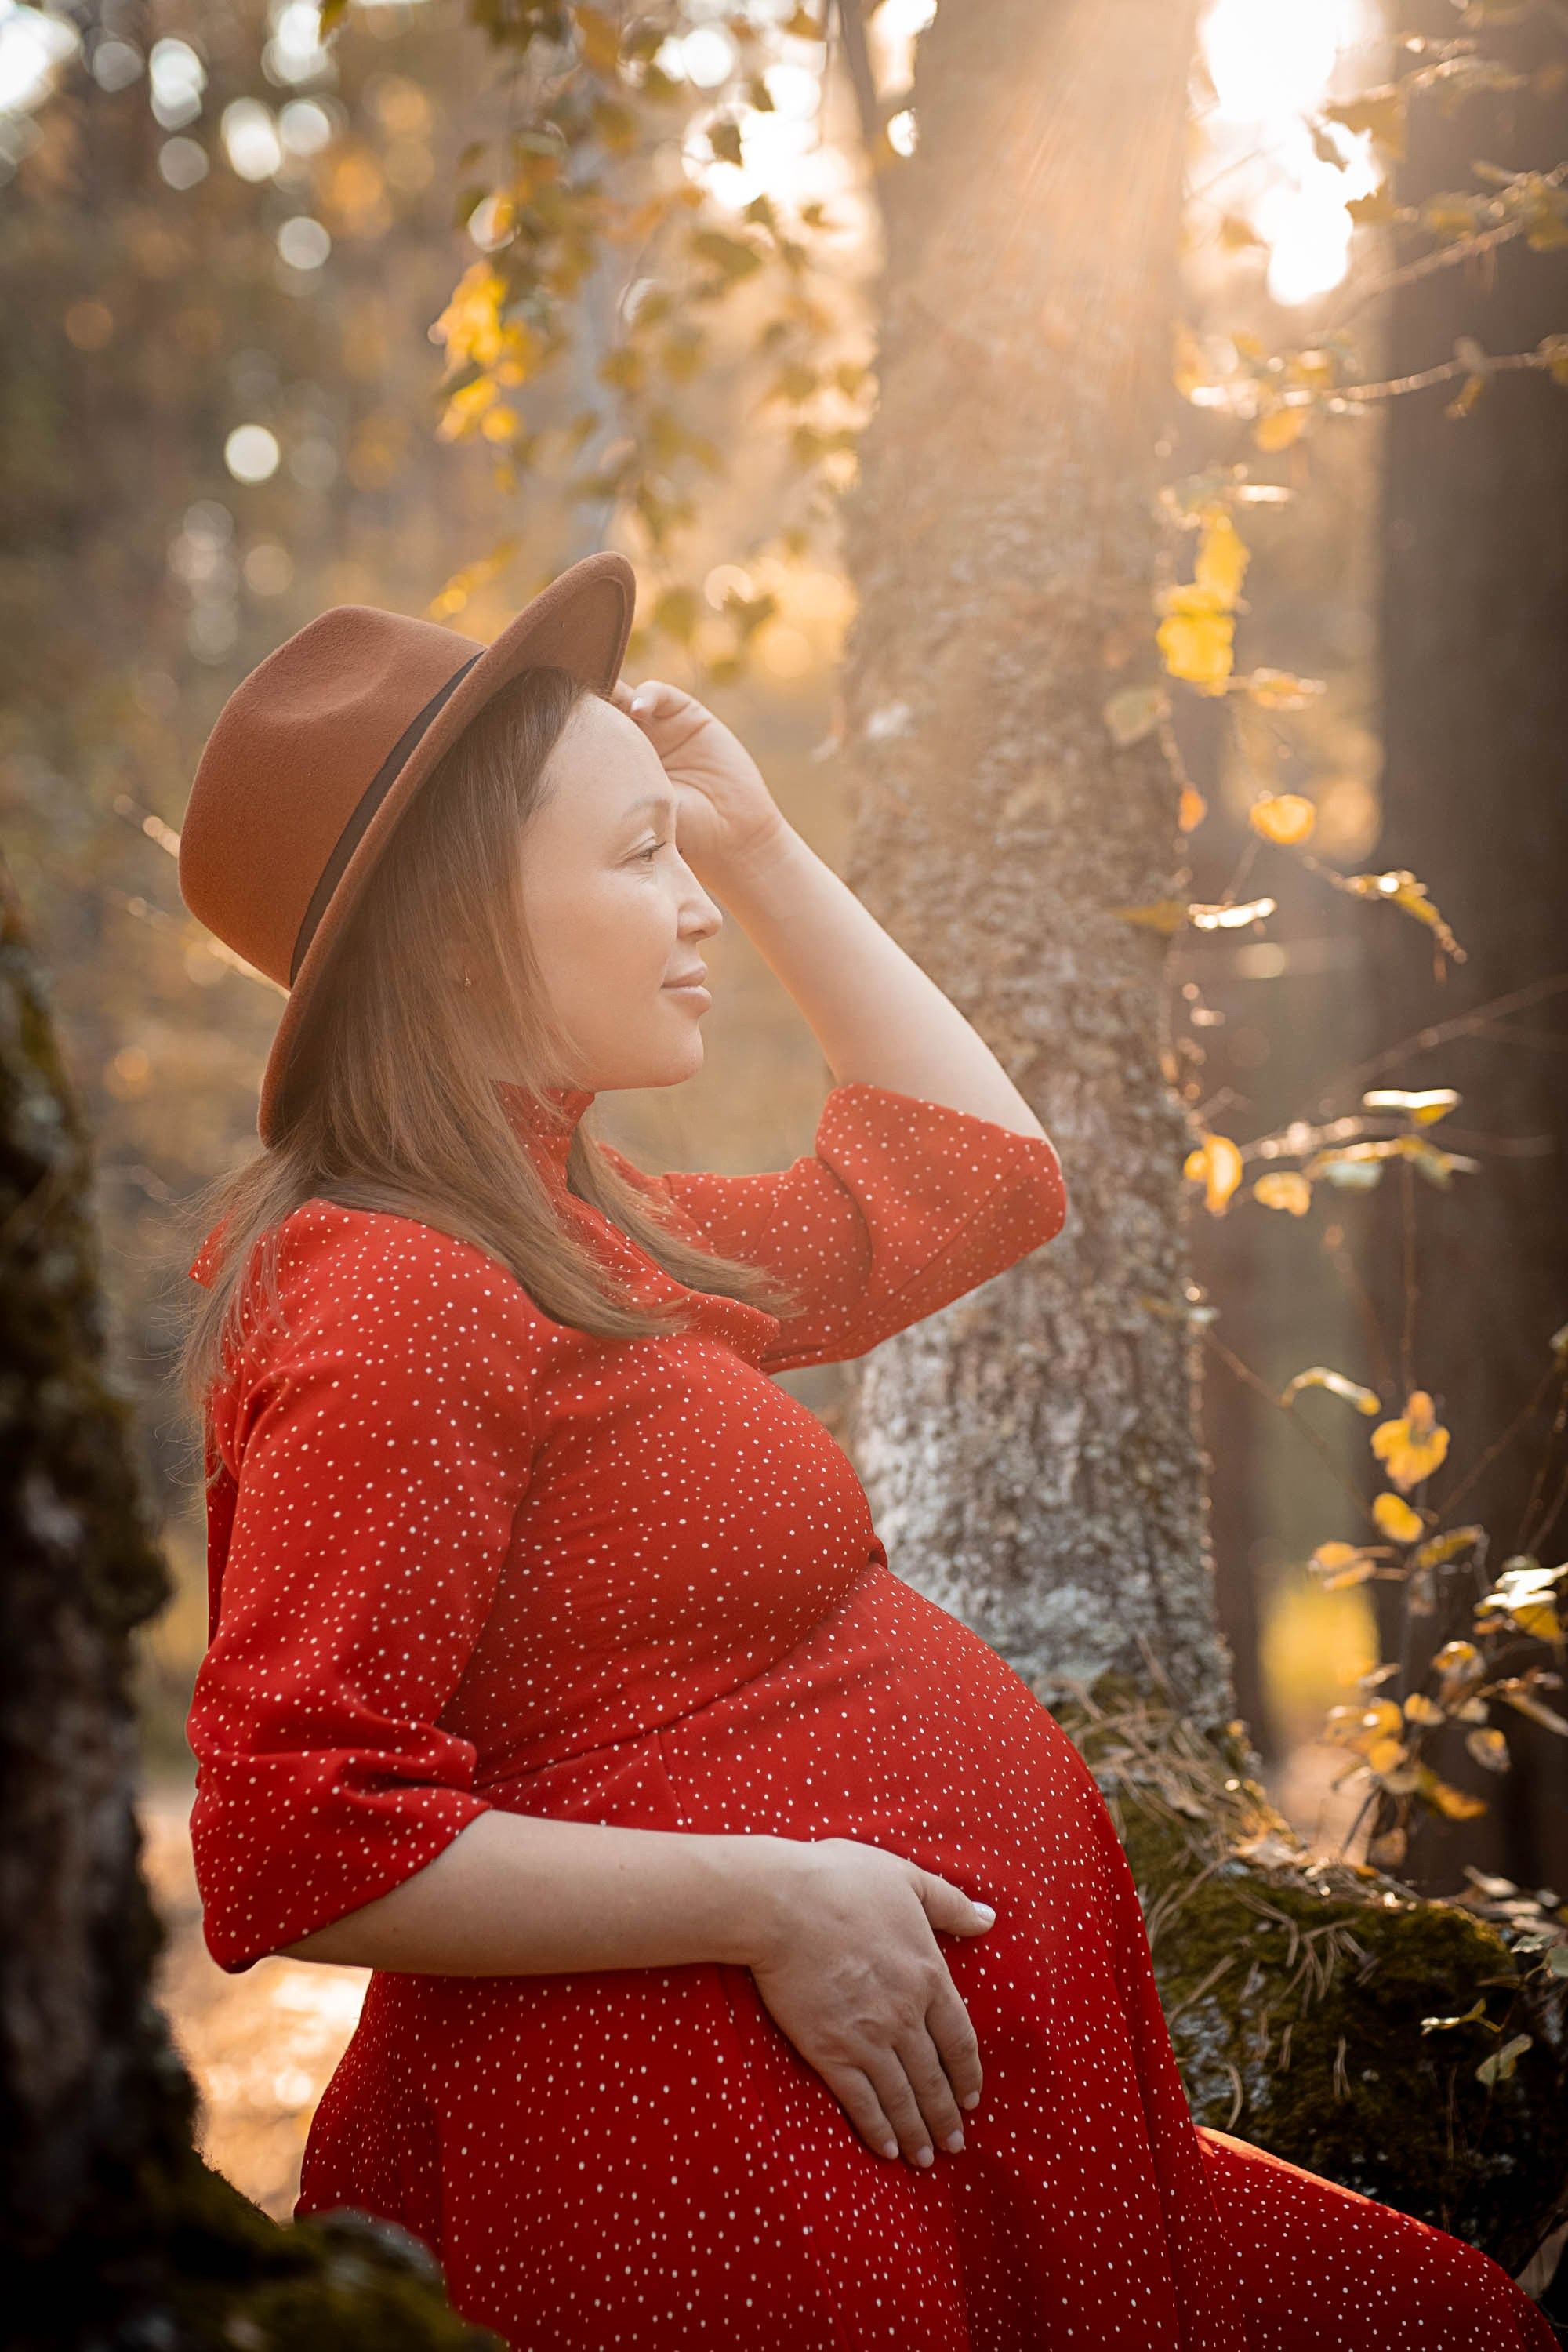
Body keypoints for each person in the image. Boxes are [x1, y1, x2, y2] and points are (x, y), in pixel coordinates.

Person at [175, 554, 1553, 2351]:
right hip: (696, 2178)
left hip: (933, 2147)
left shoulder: (589, 1235)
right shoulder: (397, 1293)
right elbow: (295, 1836)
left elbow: (980, 1173)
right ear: (455, 932)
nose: (692, 909)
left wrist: (759, 843)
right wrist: (774, 1892)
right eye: (639, 855)